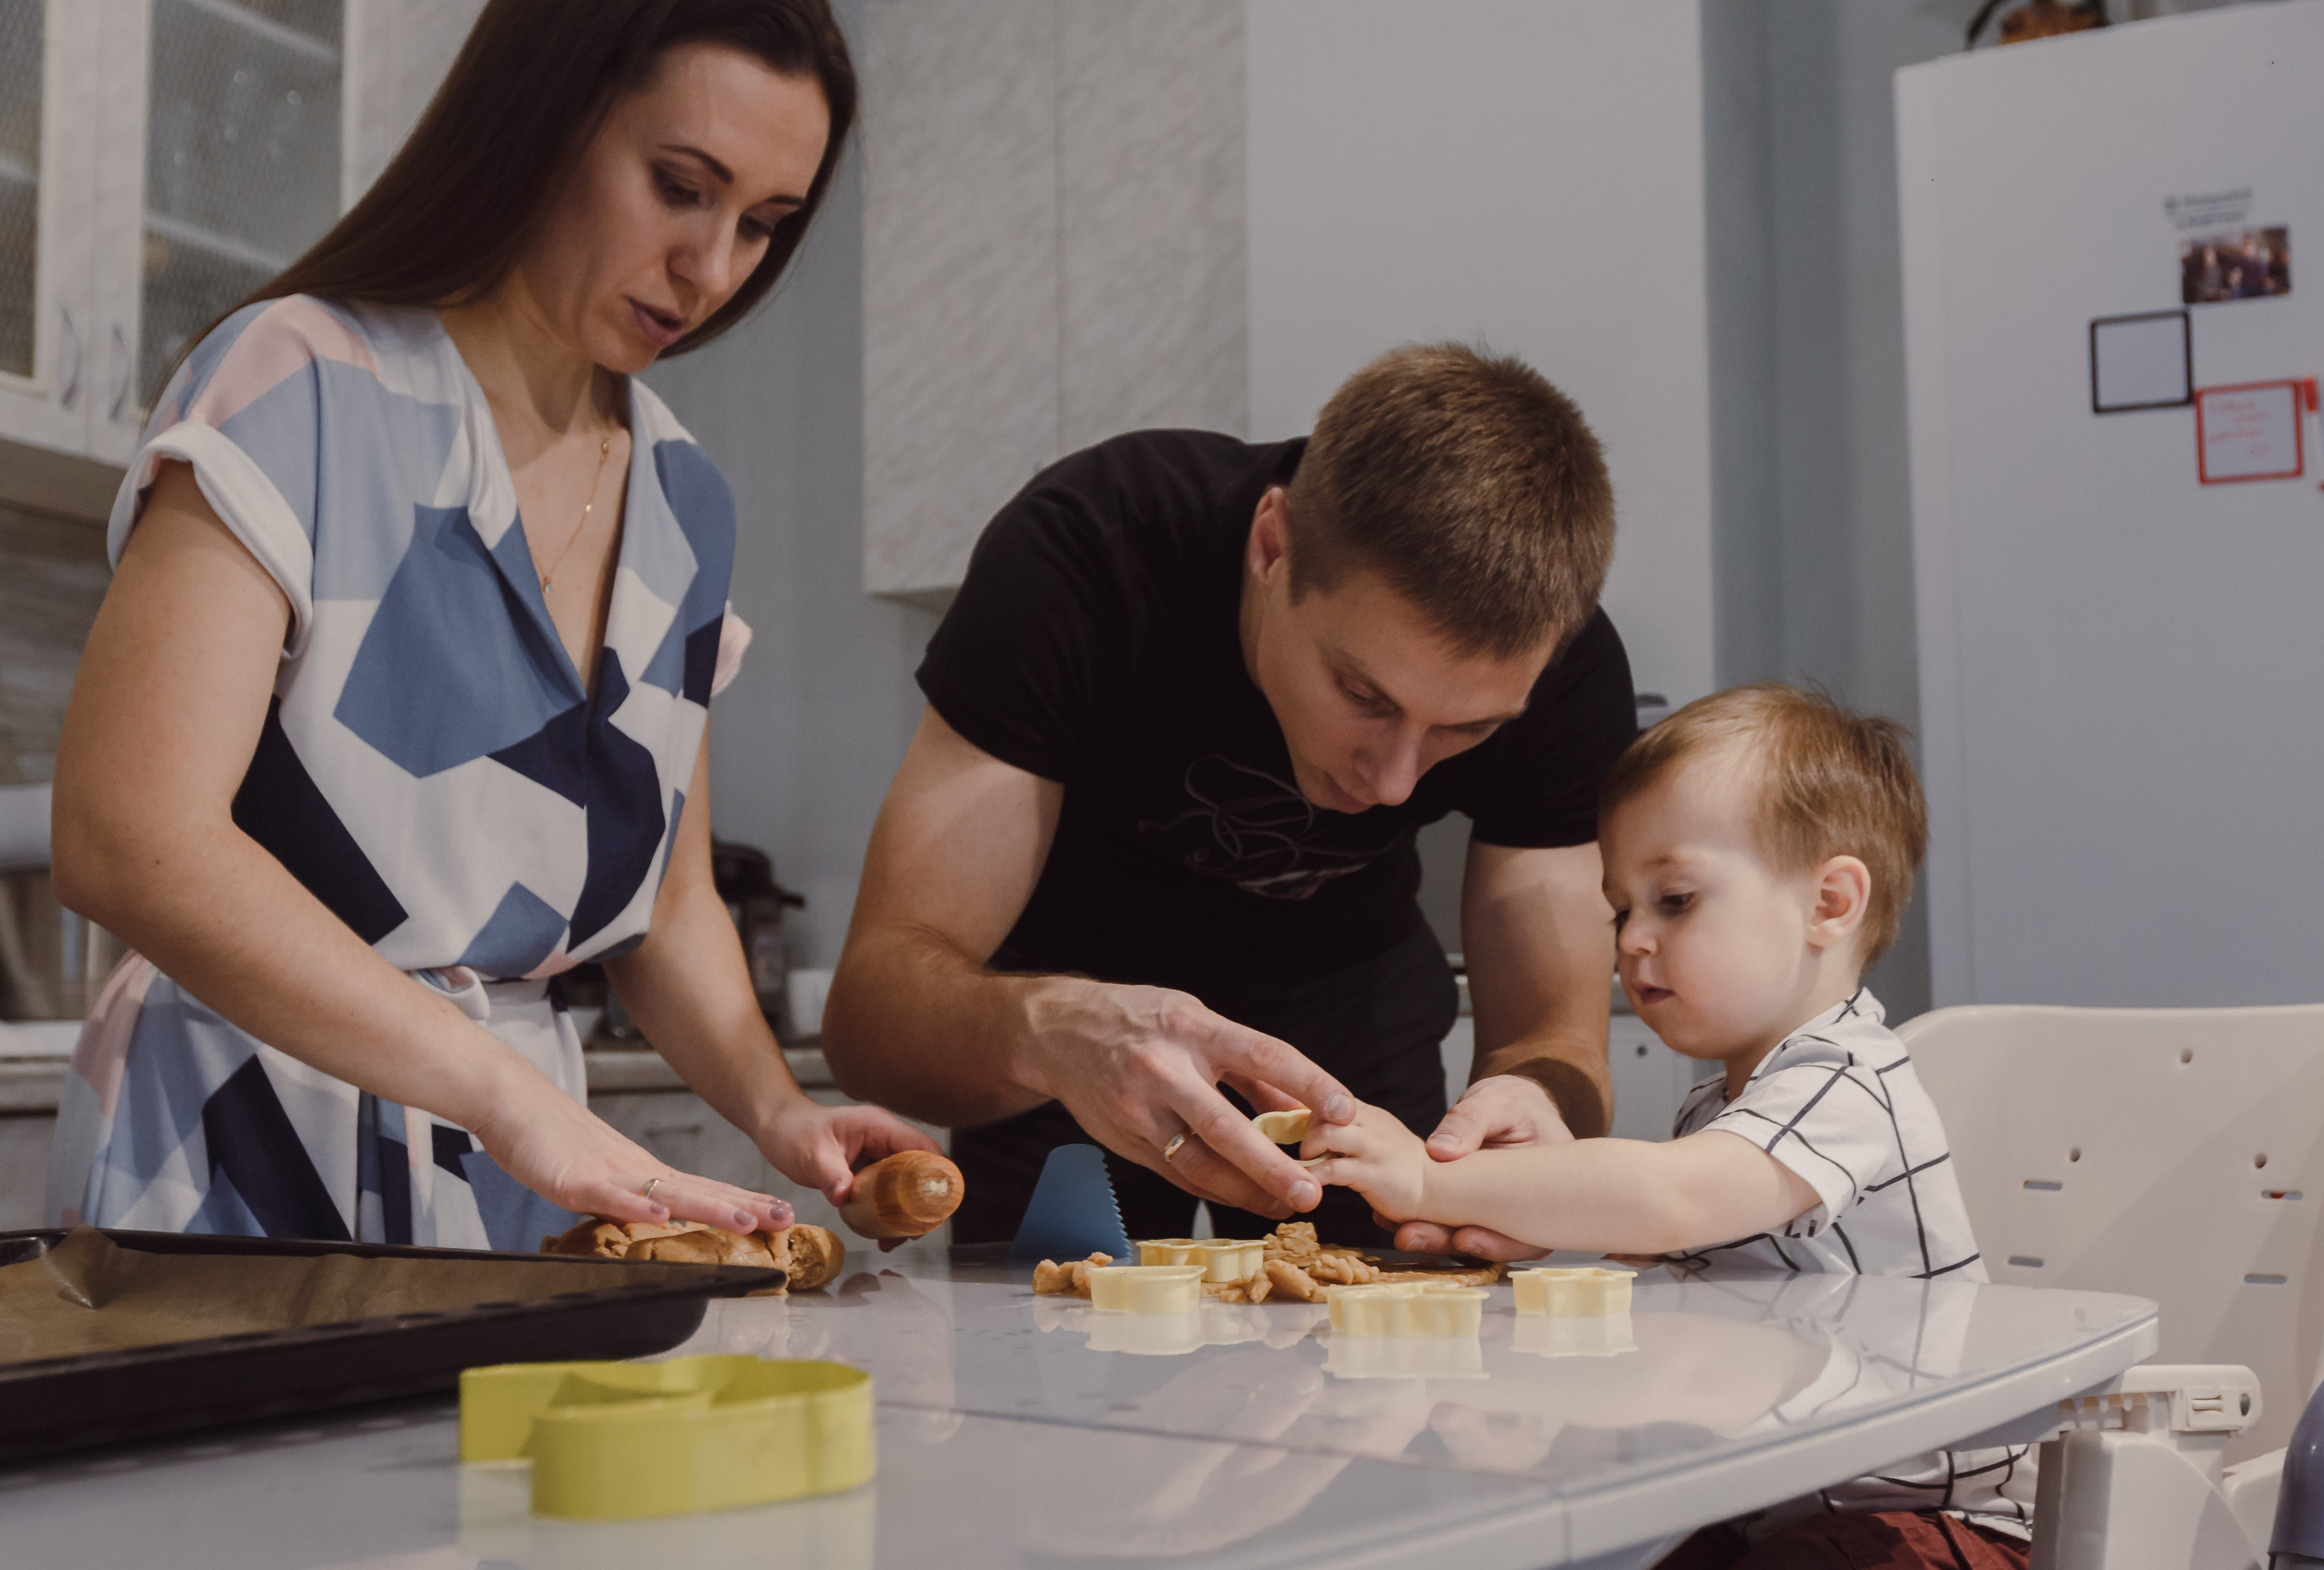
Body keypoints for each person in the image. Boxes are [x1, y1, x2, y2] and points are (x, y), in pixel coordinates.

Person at [45, 0, 934, 1249]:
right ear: (543, 121)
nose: (714, 267)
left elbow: (670, 907)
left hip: (521, 1165)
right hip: (237, 1135)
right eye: (681, 187)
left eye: (762, 224)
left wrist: (778, 1108)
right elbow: (127, 836)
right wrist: (503, 1094)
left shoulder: (685, 505)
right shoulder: (303, 385)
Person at [826, 344, 1636, 1252]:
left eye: (1466, 729)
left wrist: (1537, 1105)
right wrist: (1049, 1030)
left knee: (1383, 1328)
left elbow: (1556, 1042)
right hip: (1064, 1023)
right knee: (1046, 1327)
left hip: (1351, 1024)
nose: (1394, 783)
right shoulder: (1085, 555)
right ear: (1271, 546)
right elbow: (870, 1014)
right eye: (1362, 695)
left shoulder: (1565, 673)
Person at [1307, 683, 2031, 1567]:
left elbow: (1667, 1200)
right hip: (1789, 1505)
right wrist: (1531, 1218)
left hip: (1937, 1527)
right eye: (1622, 908)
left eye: (1675, 899)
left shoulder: (1846, 1079)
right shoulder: (1718, 1108)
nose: (1631, 940)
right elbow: (1657, 1268)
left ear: (1829, 904)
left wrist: (1430, 1180)